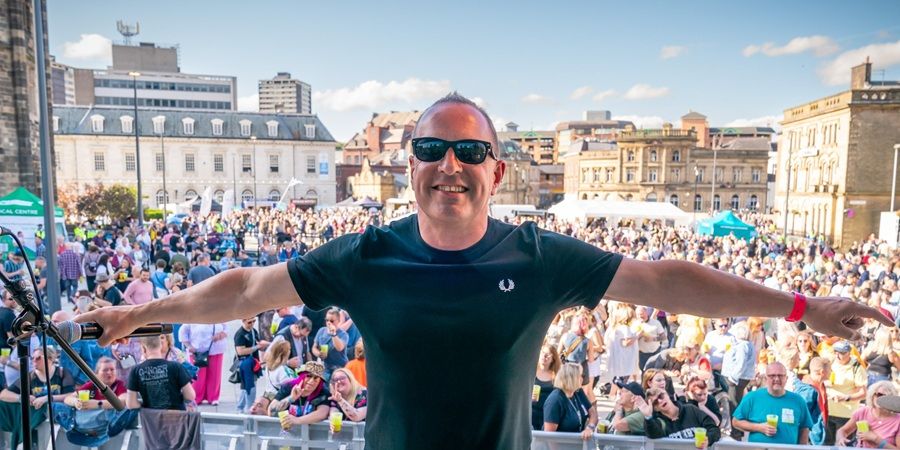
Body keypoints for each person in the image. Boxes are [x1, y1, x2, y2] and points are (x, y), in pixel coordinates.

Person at [77, 92, 892, 449]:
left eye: (471, 151)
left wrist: (800, 307)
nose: (451, 165)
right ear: (410, 168)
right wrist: (136, 315)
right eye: (432, 149)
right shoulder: (369, 255)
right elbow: (249, 289)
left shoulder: (539, 259)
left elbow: (664, 278)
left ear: (498, 172)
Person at [732, 362, 813, 444]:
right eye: (772, 376)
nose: (777, 379)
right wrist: (759, 427)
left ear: (786, 378)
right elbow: (736, 422)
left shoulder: (798, 400)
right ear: (766, 378)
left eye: (780, 375)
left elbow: (804, 428)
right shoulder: (752, 397)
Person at [125, 335, 195, 410]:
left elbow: (131, 404)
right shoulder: (176, 366)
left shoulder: (135, 371)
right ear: (160, 346)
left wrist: (143, 405)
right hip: (176, 417)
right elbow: (190, 396)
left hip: (151, 418)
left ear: (143, 348)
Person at [640, 387, 720, 447]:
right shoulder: (659, 421)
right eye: (655, 402)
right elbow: (653, 435)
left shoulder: (691, 409)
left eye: (661, 396)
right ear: (655, 408)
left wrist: (708, 439)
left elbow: (714, 429)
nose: (660, 401)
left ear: (667, 394)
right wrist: (648, 417)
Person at [0, 347, 76, 408]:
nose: (34, 361)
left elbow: (70, 395)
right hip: (38, 417)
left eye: (38, 358)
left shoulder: (62, 372)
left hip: (59, 416)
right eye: (32, 358)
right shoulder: (30, 376)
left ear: (50, 359)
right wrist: (21, 398)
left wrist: (47, 398)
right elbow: (3, 394)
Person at [835, 381, 900, 448]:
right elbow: (843, 431)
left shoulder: (898, 420)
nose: (881, 399)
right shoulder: (863, 412)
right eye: (879, 395)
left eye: (885, 396)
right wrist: (841, 439)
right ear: (872, 396)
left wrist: (875, 439)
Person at [542, 363, 596, 440]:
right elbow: (549, 437)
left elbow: (593, 413)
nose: (582, 378)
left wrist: (589, 428)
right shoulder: (555, 400)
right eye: (580, 376)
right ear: (571, 378)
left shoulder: (578, 392)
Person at [828, 340, 868, 444]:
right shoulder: (830, 362)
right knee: (826, 445)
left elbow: (863, 393)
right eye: (835, 352)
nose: (837, 355)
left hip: (846, 414)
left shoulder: (856, 367)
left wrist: (846, 398)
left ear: (849, 353)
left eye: (841, 353)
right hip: (828, 411)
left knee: (844, 445)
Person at [178, 322, 228, 405]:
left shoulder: (218, 314)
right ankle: (197, 397)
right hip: (197, 352)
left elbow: (226, 328)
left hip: (216, 349)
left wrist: (222, 334)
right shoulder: (193, 317)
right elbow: (182, 332)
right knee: (198, 376)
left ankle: (213, 397)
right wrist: (189, 346)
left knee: (215, 374)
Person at [270, 361, 331, 428]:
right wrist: (291, 398)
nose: (311, 381)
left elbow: (323, 413)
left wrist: (297, 420)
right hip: (287, 432)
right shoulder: (288, 387)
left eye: (316, 378)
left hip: (312, 433)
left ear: (320, 381)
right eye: (308, 376)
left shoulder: (323, 392)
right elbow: (271, 411)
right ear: (302, 376)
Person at [234, 316, 269, 413]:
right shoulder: (240, 334)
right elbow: (240, 351)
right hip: (245, 364)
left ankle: (240, 407)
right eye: (249, 322)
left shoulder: (253, 331)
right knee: (250, 386)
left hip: (253, 362)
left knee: (245, 387)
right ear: (243, 320)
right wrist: (257, 347)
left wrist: (268, 344)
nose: (252, 324)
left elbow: (259, 343)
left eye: (254, 321)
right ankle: (249, 408)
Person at [311, 308, 348, 379]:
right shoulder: (321, 330)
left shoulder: (344, 334)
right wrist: (318, 354)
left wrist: (333, 334)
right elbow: (314, 347)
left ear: (338, 321)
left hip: (340, 367)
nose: (328, 323)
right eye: (327, 320)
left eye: (331, 321)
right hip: (325, 368)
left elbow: (339, 348)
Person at [532, 344, 561, 430]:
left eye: (548, 354)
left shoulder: (556, 375)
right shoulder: (531, 372)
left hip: (548, 415)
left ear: (553, 359)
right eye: (543, 353)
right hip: (531, 412)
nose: (544, 356)